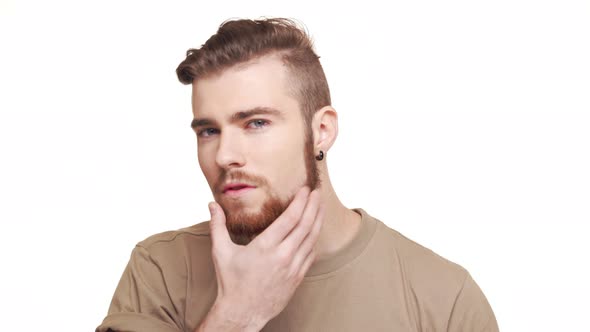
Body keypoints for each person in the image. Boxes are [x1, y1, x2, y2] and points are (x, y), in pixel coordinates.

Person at [96, 18, 498, 332]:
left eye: (255, 123)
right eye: (209, 131)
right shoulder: (161, 269)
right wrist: (236, 316)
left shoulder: (443, 297)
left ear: (321, 130)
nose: (224, 155)